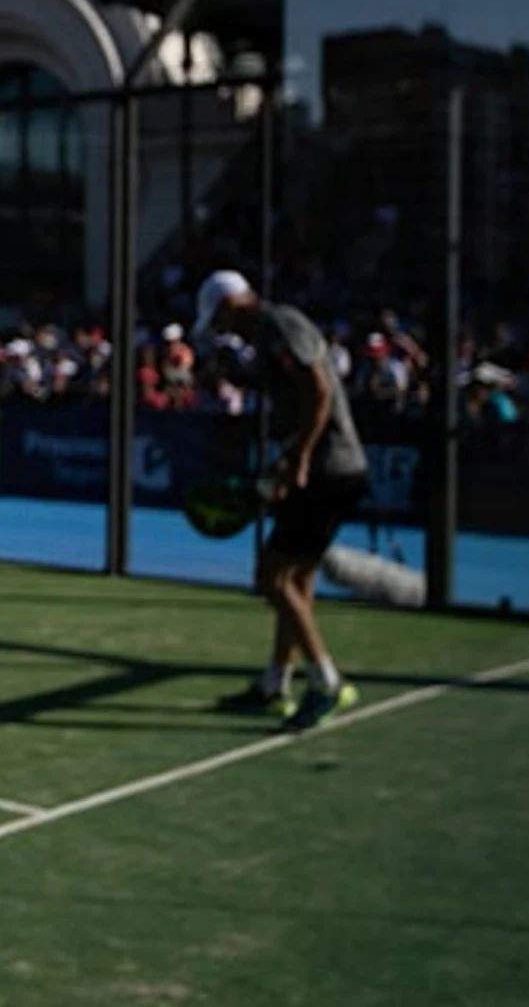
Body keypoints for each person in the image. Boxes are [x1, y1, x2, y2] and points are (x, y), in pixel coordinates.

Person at [195, 270, 367, 730]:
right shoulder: (268, 336)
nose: (220, 330)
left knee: (272, 577)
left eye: (219, 320)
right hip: (325, 467)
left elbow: (321, 390)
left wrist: (303, 457)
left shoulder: (282, 323)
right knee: (297, 580)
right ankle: (275, 684)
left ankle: (326, 683)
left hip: (330, 469)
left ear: (233, 304)